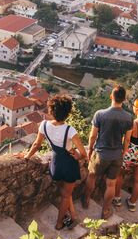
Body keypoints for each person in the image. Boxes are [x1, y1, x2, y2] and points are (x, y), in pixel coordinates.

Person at [20, 94, 88, 230]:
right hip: (69, 165)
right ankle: (59, 224)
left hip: (56, 165)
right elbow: (84, 154)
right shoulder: (70, 130)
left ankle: (73, 215)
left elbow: (36, 145)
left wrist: (26, 156)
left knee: (64, 192)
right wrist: (77, 155)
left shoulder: (44, 125)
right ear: (68, 113)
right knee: (66, 195)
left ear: (51, 111)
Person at [83, 85, 133, 220]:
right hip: (116, 155)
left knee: (92, 177)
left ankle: (86, 200)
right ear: (124, 99)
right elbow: (127, 139)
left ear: (111, 96)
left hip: (101, 153)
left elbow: (93, 136)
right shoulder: (128, 117)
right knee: (111, 184)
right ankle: (105, 210)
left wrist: (90, 149)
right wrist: (123, 152)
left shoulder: (100, 114)